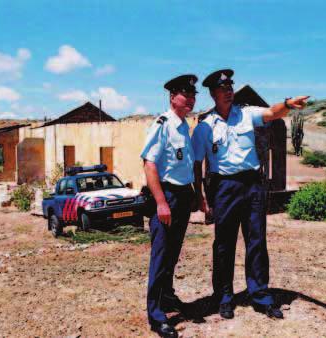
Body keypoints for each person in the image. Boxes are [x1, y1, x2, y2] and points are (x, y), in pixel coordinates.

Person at [192, 69, 308, 320]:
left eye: (230, 87)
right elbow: (197, 164)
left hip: (253, 185)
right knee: (224, 244)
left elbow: (271, 113)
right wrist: (200, 196)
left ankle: (261, 296)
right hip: (224, 188)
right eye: (223, 89)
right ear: (213, 94)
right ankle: (223, 297)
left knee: (256, 241)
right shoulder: (204, 127)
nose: (228, 92)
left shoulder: (246, 114)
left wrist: (288, 104)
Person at [141, 74, 197, 338]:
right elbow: (149, 164)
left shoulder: (184, 126)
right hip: (167, 197)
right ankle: (155, 314)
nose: (191, 99)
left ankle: (166, 297)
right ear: (173, 97)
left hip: (183, 196)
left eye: (193, 95)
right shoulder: (162, 124)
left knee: (173, 254)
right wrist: (161, 202)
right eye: (186, 95)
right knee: (161, 255)